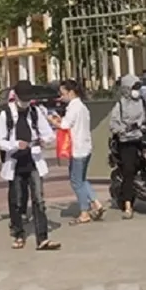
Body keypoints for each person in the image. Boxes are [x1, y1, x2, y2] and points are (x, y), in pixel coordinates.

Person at [0, 80, 60, 251]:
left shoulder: (35, 112)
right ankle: (18, 234)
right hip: (15, 161)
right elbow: (0, 142)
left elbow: (49, 134)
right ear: (16, 96)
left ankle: (42, 238)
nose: (25, 102)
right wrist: (16, 144)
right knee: (17, 200)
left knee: (39, 200)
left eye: (28, 99)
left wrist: (44, 140)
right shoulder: (6, 114)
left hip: (34, 160)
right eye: (23, 98)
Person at [52, 79, 105, 226]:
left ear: (71, 92)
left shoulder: (73, 107)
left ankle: (84, 212)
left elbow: (64, 125)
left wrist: (52, 120)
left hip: (78, 149)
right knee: (82, 179)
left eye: (63, 94)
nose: (61, 97)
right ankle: (96, 203)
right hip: (86, 147)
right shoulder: (82, 107)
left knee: (76, 182)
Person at [109, 74, 146, 219]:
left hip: (143, 137)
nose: (137, 90)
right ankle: (128, 205)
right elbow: (113, 124)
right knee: (129, 170)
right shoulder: (120, 105)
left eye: (138, 87)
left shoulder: (143, 101)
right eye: (134, 87)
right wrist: (122, 129)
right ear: (126, 89)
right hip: (127, 141)